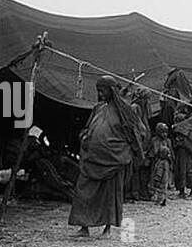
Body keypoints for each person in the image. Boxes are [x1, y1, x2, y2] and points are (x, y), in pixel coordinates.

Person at [69, 76, 146, 237]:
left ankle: (107, 228)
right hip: (92, 159)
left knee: (109, 195)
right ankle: (84, 227)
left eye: (102, 90)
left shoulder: (126, 110)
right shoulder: (98, 108)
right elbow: (88, 127)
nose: (100, 94)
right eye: (98, 91)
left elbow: (139, 132)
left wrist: (127, 150)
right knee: (83, 192)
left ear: (111, 90)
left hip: (114, 160)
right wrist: (85, 137)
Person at [149, 122, 173, 206]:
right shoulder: (154, 140)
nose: (165, 134)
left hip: (166, 163)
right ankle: (155, 196)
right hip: (157, 162)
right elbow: (154, 152)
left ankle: (163, 197)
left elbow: (171, 152)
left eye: (166, 132)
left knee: (164, 181)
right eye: (162, 132)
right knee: (156, 179)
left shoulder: (168, 141)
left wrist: (169, 157)